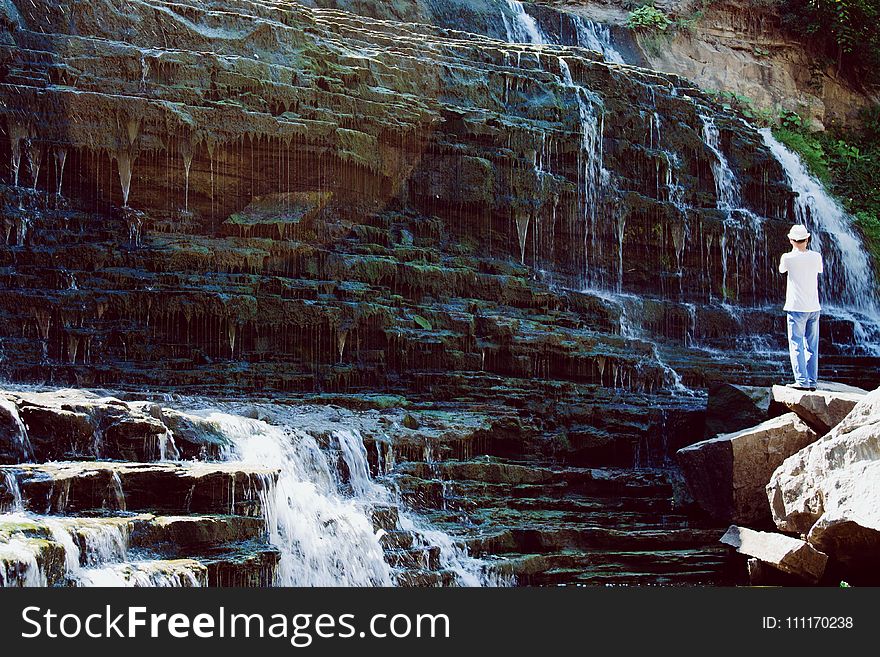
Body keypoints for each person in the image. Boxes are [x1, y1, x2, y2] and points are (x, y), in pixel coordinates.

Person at [778, 224, 823, 391]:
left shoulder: (787, 258)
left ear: (791, 240)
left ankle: (802, 381)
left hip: (796, 307)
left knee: (796, 344)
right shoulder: (816, 256)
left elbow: (782, 270)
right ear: (808, 239)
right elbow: (818, 270)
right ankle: (812, 381)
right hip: (814, 307)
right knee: (812, 345)